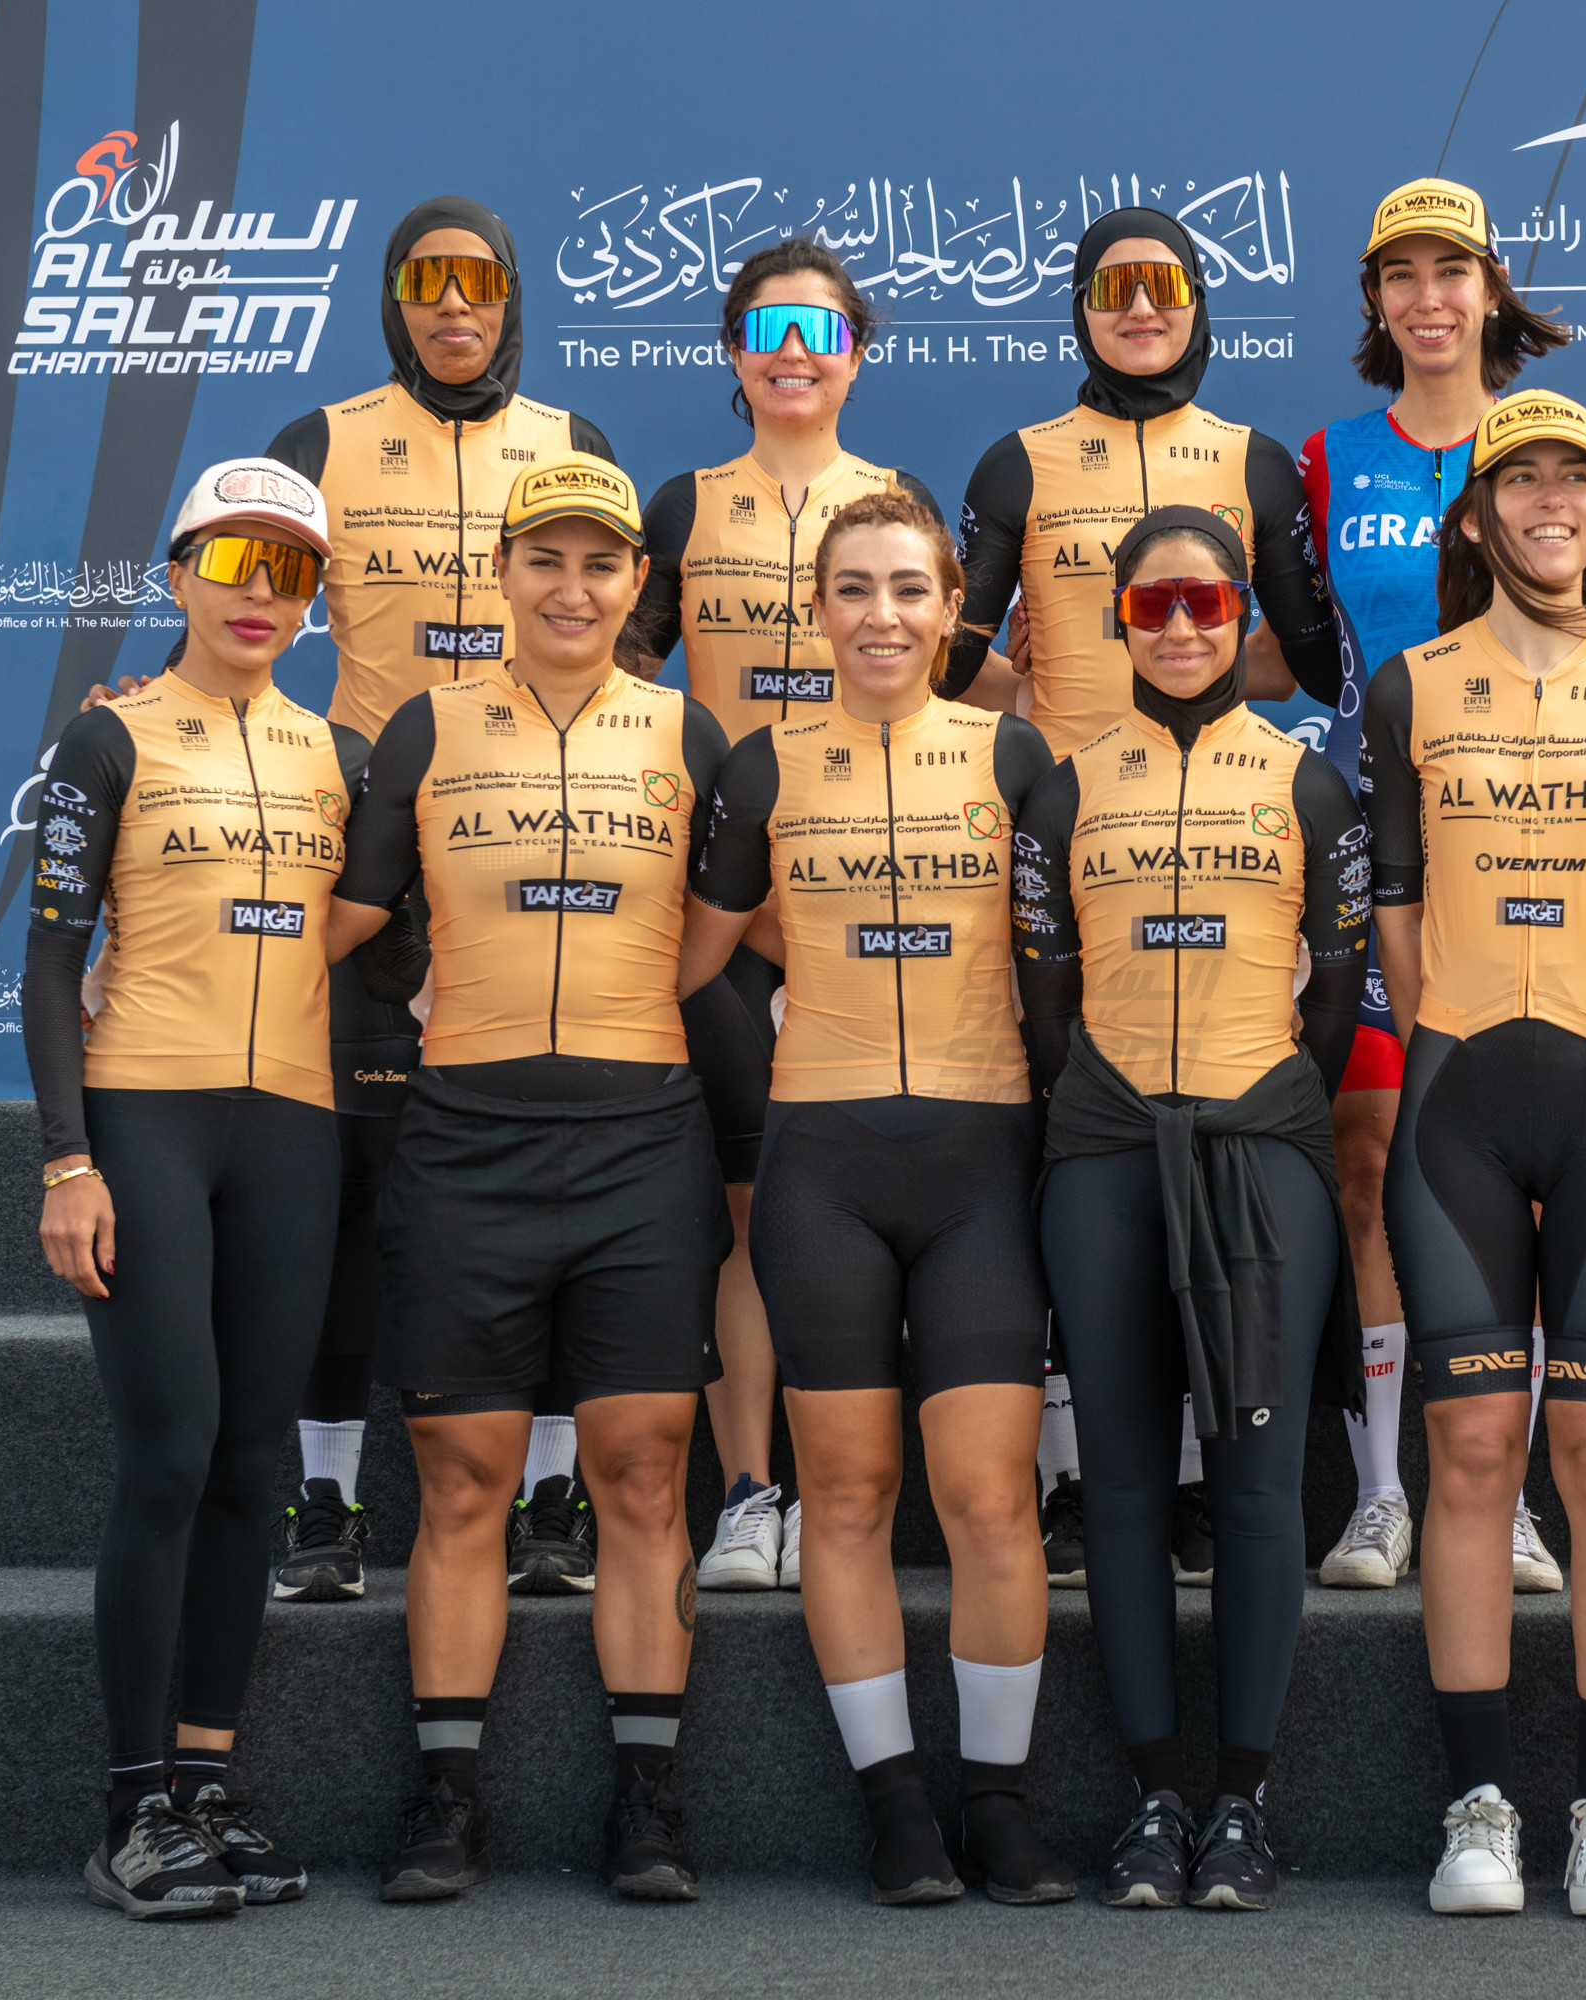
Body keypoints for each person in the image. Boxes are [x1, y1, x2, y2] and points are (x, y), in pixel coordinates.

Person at [324, 455, 733, 1905]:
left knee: (643, 1472)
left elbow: (729, 925)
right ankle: (447, 1799)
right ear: (500, 572)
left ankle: (649, 1801)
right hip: (467, 1139)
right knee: (461, 1481)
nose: (572, 589)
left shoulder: (687, 731)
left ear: (638, 584)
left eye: (600, 564)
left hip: (642, 1139)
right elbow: (349, 915)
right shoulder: (428, 727)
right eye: (545, 560)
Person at [679, 487, 1073, 1906]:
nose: (882, 616)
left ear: (955, 606)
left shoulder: (1014, 756)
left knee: (988, 1495)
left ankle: (999, 1803)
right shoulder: (763, 768)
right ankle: (896, 1806)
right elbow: (687, 958)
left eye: (910, 589)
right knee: (845, 1493)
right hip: (823, 1164)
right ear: (818, 609)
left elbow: (1065, 957)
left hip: (983, 1159)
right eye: (853, 589)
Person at [947, 207, 1343, 1593]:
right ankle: (1078, 1474)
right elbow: (950, 652)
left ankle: (1189, 1482)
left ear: (1199, 302)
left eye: (1164, 284)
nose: (1140, 307)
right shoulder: (1020, 461)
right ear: (1078, 306)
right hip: (1069, 838)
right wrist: (1047, 712)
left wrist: (1195, 666)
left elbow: (1310, 659)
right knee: (1072, 1146)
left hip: (1218, 830)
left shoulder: (1251, 460)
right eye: (1112, 286)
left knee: (1193, 1161)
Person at [262, 195, 621, 1605]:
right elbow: (236, 613)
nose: (454, 304)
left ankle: (550, 1498)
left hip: (533, 826)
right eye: (427, 281)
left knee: (549, 1173)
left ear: (512, 294)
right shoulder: (323, 439)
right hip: (368, 834)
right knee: (355, 1191)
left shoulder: (571, 441)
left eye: (479, 279)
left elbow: (613, 638)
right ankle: (325, 1502)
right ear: (394, 299)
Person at [1012, 504, 1368, 1913]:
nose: (1176, 627)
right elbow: (1043, 1000)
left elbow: (1333, 996)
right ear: (1116, 617)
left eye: (1206, 604)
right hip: (1103, 1153)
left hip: (1257, 1142)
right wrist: (1115, 1109)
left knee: (1258, 1485)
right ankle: (1156, 1797)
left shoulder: (1306, 783)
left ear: (1243, 618)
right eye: (1150, 605)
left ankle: (1243, 1805)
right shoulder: (1064, 787)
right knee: (1121, 1486)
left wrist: (1256, 1101)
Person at [1357, 390, 1586, 1919]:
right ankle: (1476, 1809)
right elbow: (1395, 907)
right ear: (1477, 516)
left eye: (1576, 480)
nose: (1550, 501)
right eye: (1521, 480)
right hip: (1463, 1095)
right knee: (1476, 1449)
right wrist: (1450, 1049)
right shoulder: (1411, 683)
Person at [31, 459, 360, 1917]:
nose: (258, 593)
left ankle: (208, 1786)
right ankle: (130, 1810)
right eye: (231, 561)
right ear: (177, 577)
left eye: (290, 570)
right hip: (145, 1117)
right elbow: (51, 959)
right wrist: (68, 1158)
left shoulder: (334, 750)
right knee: (169, 1457)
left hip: (292, 1127)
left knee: (249, 1469)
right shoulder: (110, 733)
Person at [632, 239, 944, 1596]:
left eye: (822, 329)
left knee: (849, 1198)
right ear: (733, 352)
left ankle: (836, 1492)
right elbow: (610, 672)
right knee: (750, 1205)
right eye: (768, 328)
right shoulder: (683, 505)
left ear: (859, 354)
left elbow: (959, 688)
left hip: (866, 896)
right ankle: (752, 1491)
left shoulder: (901, 506)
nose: (796, 352)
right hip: (722, 899)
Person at [1302, 178, 1575, 1597]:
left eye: (1451, 270)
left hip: (1524, 846)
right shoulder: (1326, 458)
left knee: (1509, 1178)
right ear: (1374, 300)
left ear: (1491, 288)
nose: (1428, 298)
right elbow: (1284, 649)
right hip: (1368, 844)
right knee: (1367, 1160)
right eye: (1399, 274)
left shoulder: (1547, 446)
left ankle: (1505, 1500)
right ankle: (1384, 1495)